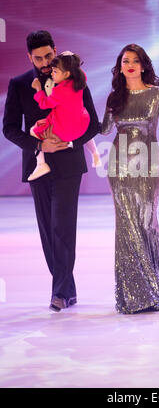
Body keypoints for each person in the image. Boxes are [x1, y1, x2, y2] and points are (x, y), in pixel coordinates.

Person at [3, 30, 99, 312]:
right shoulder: (20, 84)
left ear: (55, 50)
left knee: (63, 227)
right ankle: (66, 290)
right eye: (38, 58)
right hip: (37, 164)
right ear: (29, 57)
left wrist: (69, 141)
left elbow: (93, 124)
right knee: (48, 231)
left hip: (69, 163)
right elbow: (9, 128)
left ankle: (59, 292)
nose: (45, 62)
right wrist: (38, 143)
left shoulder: (76, 78)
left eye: (49, 56)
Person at [100, 43, 159, 314]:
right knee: (126, 226)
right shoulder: (114, 97)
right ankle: (136, 295)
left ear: (143, 65)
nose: (129, 64)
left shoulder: (158, 95)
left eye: (134, 60)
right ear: (120, 67)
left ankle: (154, 288)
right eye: (124, 61)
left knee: (146, 222)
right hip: (118, 167)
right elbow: (105, 130)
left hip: (147, 165)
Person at [28, 52, 90, 181]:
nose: (51, 74)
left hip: (64, 131)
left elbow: (44, 104)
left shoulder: (59, 90)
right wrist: (70, 56)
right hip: (81, 125)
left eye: (55, 72)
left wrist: (38, 89)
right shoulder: (78, 80)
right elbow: (80, 70)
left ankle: (41, 164)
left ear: (66, 74)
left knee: (33, 130)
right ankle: (95, 153)